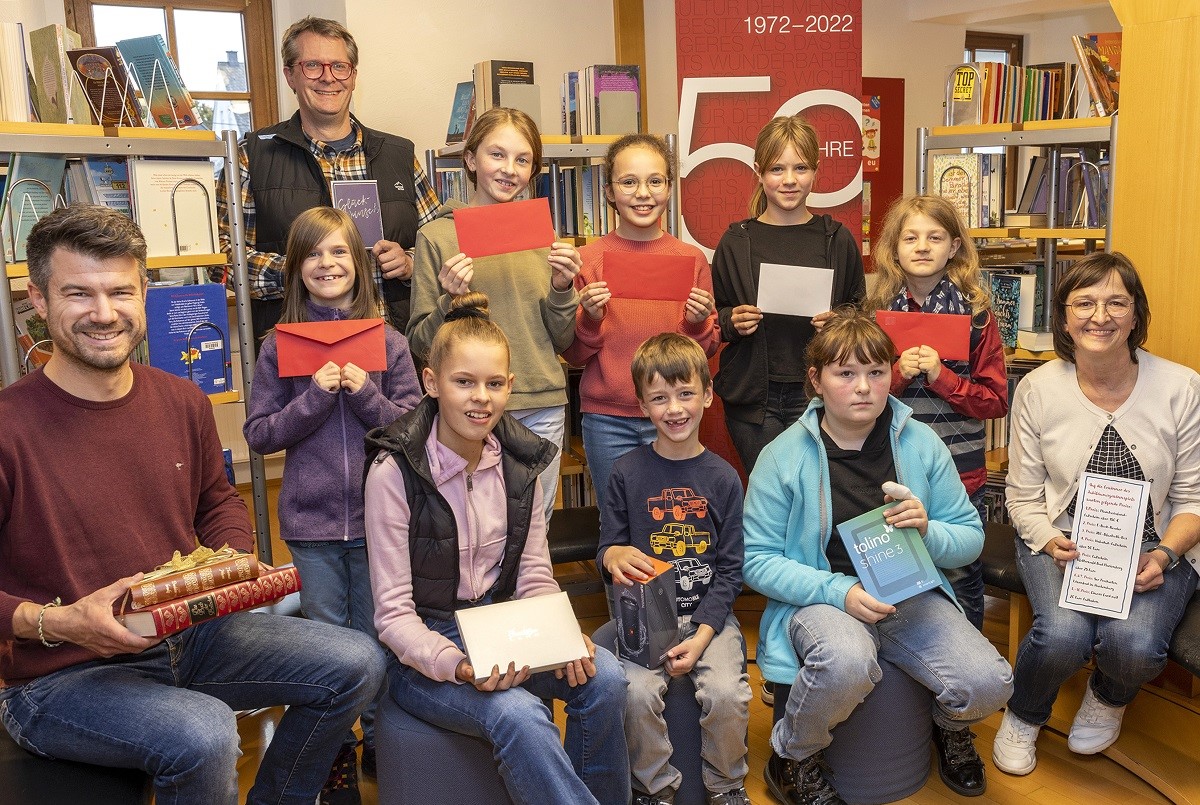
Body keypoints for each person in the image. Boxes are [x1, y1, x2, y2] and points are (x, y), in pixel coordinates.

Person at [0, 205, 385, 805]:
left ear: (144, 293)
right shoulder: (8, 426)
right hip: (62, 672)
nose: (104, 314)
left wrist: (231, 558)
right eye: (78, 293)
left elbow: (217, 501)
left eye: (120, 291)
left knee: (358, 659)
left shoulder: (182, 402)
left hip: (191, 635)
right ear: (39, 300)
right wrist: (55, 621)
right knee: (204, 734)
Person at [364, 293, 629, 804]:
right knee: (518, 713)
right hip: (426, 649)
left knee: (608, 679)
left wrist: (562, 636)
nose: (479, 397)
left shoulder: (519, 462)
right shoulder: (392, 473)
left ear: (510, 387)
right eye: (463, 382)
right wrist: (459, 665)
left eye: (493, 383)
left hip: (503, 626)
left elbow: (533, 576)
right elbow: (394, 616)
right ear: (431, 383)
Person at [743, 309, 1012, 805]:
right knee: (847, 662)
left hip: (909, 594)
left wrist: (928, 531)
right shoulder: (781, 456)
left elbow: (970, 537)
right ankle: (792, 756)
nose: (863, 387)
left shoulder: (921, 442)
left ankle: (948, 726)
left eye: (876, 372)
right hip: (826, 598)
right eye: (845, 373)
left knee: (990, 682)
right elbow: (757, 560)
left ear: (892, 375)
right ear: (816, 381)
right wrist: (839, 591)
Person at [992, 252, 1200, 776]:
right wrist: (1047, 540)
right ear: (1063, 317)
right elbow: (1023, 496)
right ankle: (1024, 712)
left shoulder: (1182, 387)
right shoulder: (1039, 388)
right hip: (1059, 535)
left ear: (1136, 315)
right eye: (1084, 302)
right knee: (1062, 636)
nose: (1099, 316)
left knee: (1133, 646)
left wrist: (1166, 554)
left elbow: (1195, 499)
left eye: (1116, 302)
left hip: (1158, 542)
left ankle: (1108, 697)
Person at [242, 206, 421, 795]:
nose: (327, 263)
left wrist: (364, 392)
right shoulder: (278, 347)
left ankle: (381, 739)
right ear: (296, 270)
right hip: (312, 525)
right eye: (314, 254)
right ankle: (336, 746)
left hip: (381, 523)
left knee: (377, 632)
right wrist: (314, 399)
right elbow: (262, 434)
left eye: (339, 251)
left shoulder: (389, 344)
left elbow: (412, 426)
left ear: (360, 265)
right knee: (328, 641)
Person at [217, 16, 441, 345]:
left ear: (353, 76)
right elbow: (222, 257)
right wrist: (299, 269)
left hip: (394, 351)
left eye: (339, 66)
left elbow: (440, 244)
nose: (328, 78)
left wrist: (410, 262)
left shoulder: (398, 154)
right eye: (312, 65)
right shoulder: (250, 156)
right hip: (300, 355)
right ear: (290, 75)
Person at [407, 107, 581, 524]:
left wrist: (562, 289)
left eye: (522, 160)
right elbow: (419, 343)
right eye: (496, 155)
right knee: (472, 530)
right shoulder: (437, 236)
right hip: (468, 407)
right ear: (470, 160)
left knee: (532, 530)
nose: (509, 169)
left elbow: (562, 340)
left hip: (540, 403)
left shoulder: (544, 236)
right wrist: (450, 302)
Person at [599, 333, 750, 805]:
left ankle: (726, 786)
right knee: (636, 695)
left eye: (685, 394)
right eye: (659, 398)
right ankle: (654, 790)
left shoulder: (724, 477)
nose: (674, 408)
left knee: (727, 694)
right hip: (647, 621)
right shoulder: (624, 473)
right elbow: (609, 548)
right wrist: (612, 556)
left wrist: (704, 633)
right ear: (643, 405)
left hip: (711, 616)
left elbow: (731, 570)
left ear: (707, 395)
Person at [864, 194, 1009, 630]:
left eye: (935, 237)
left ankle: (968, 676)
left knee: (961, 575)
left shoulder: (978, 318)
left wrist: (944, 377)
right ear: (894, 249)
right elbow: (861, 395)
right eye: (911, 237)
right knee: (894, 572)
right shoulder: (879, 315)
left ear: (955, 248)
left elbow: (996, 401)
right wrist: (899, 375)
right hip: (893, 468)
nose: (922, 246)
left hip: (958, 473)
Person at [563, 135, 719, 509]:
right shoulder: (587, 260)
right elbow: (574, 354)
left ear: (668, 187)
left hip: (673, 414)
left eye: (655, 181)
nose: (642, 193)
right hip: (607, 418)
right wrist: (591, 318)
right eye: (629, 182)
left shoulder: (690, 258)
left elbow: (707, 349)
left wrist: (698, 325)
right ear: (609, 192)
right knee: (616, 522)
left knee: (674, 517)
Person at [711, 114, 866, 476]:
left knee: (818, 493)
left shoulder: (836, 239)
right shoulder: (737, 241)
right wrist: (731, 321)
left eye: (800, 168)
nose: (790, 180)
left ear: (815, 171)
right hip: (752, 400)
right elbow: (714, 317)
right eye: (777, 169)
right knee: (768, 496)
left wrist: (840, 323)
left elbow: (860, 315)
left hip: (819, 395)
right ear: (759, 172)